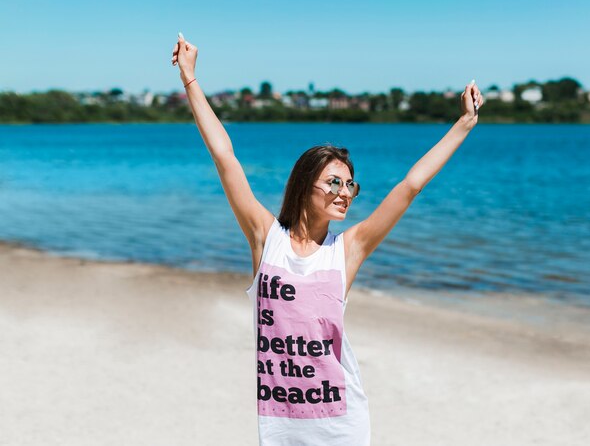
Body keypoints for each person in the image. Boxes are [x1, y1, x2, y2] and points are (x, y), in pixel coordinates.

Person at [171, 33, 483, 445]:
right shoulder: (267, 240)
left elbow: (410, 185)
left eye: (350, 185)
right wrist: (190, 79)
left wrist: (464, 124)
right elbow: (224, 156)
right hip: (280, 424)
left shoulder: (347, 250)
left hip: (341, 424)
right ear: (304, 185)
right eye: (333, 181)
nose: (344, 192)